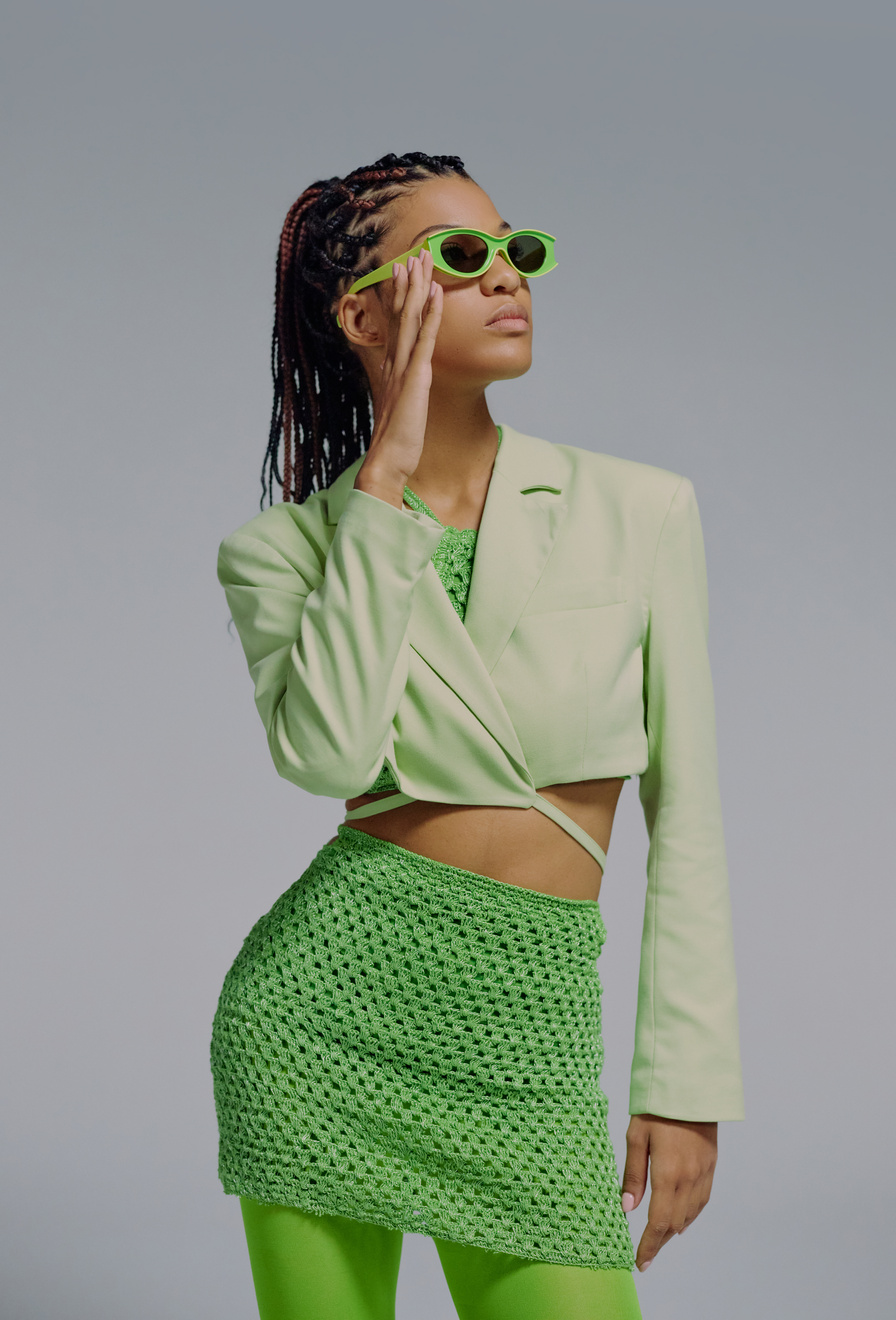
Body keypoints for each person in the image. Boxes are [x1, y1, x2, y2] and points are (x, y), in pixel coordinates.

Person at [211, 150, 744, 1320]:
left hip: (531, 1041)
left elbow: (688, 815)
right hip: (318, 1030)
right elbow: (330, 756)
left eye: (517, 249)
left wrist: (684, 1080)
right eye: (459, 257)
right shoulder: (282, 554)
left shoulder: (639, 509)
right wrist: (385, 481)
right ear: (364, 314)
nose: (508, 276)